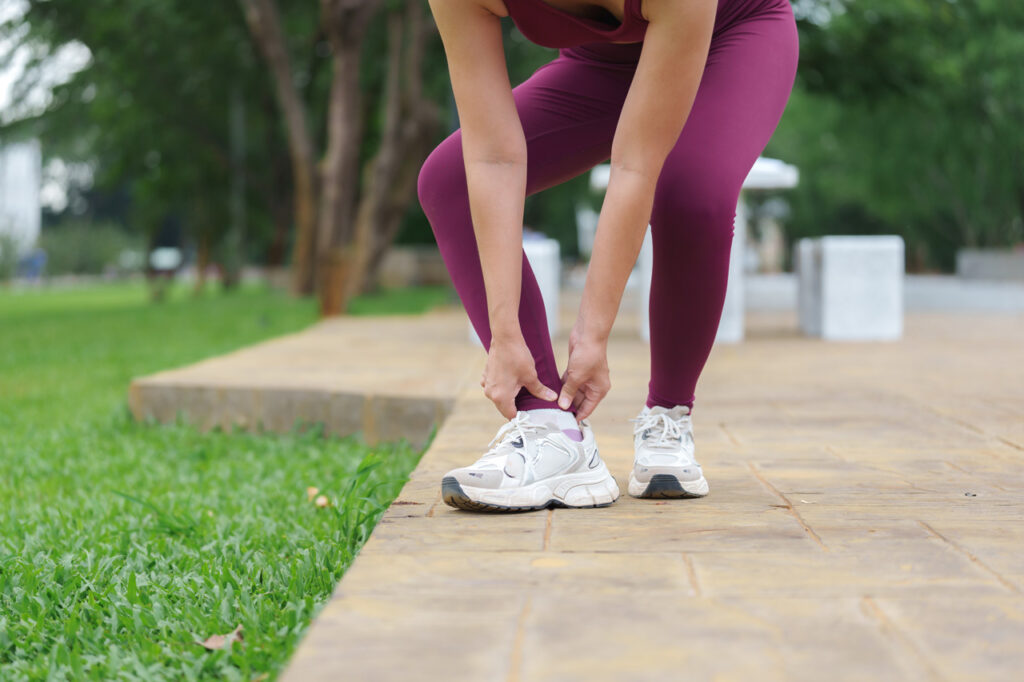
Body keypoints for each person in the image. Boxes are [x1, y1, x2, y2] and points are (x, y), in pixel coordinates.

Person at [417, 0, 798, 511]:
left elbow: (635, 166)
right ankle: (551, 428)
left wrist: (591, 336)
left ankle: (668, 416)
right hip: (606, 64)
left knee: (690, 193)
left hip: (729, 40)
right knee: (449, 180)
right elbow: (492, 156)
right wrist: (504, 332)